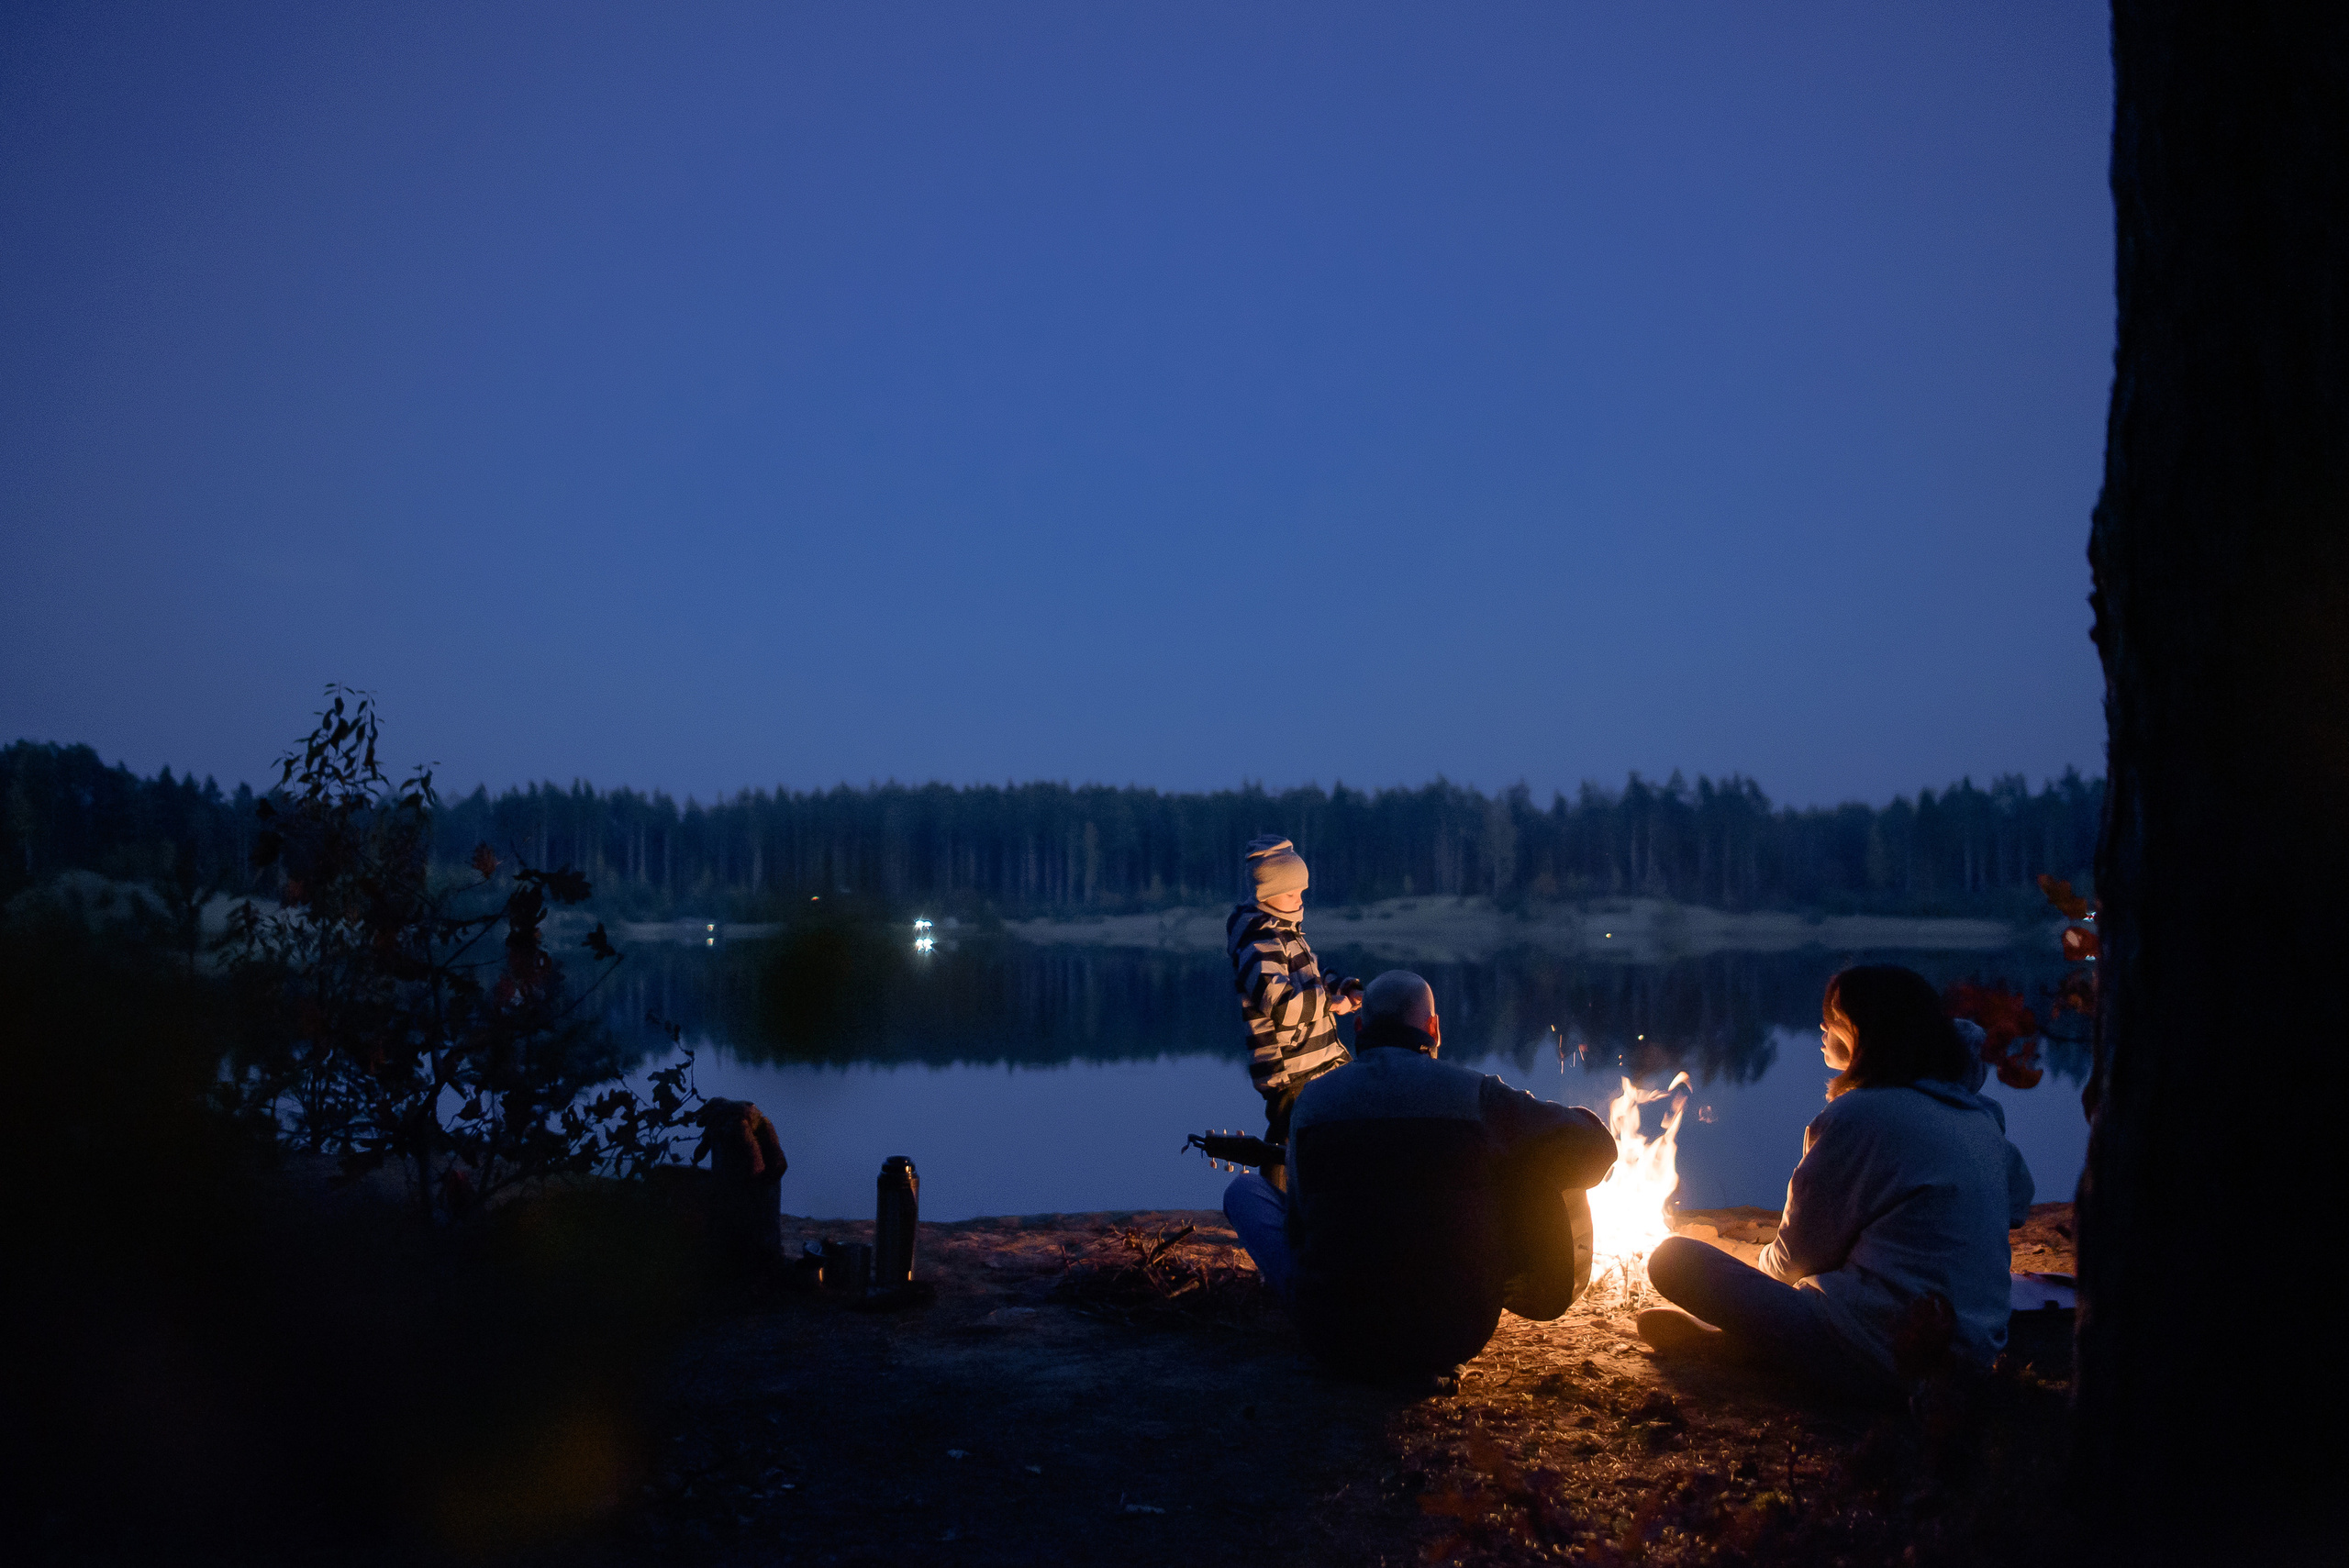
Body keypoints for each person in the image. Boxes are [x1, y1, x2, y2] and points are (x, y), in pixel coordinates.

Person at [1637, 964, 2034, 1404]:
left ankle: (1750, 1348)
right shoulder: (1977, 1117)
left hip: (1880, 1351)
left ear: (1863, 1031)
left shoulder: (1859, 1117)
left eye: (1833, 1016)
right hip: (1969, 1354)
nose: (1822, 1027)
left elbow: (1795, 1260)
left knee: (1672, 1259)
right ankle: (1754, 1347)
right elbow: (2017, 1203)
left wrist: (1751, 1291)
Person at [1223, 971, 1618, 1378]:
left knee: (1244, 1191)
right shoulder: (1477, 1095)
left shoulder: (1312, 1102)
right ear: (1434, 1028)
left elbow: (1298, 1228)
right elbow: (1596, 1151)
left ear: (1359, 1027)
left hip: (1336, 1336)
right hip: (1453, 1333)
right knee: (1531, 1153)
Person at [1226, 835, 1363, 1186]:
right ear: (1266, 894)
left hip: (1318, 1061)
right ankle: (1277, 1201)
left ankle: (1328, 1195)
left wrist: (1341, 985)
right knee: (1289, 1139)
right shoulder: (1258, 944)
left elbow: (1311, 976)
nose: (1300, 901)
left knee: (1338, 1124)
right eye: (1292, 893)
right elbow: (1282, 1005)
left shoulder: (1287, 933)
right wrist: (1330, 1004)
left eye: (1301, 893)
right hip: (1290, 1071)